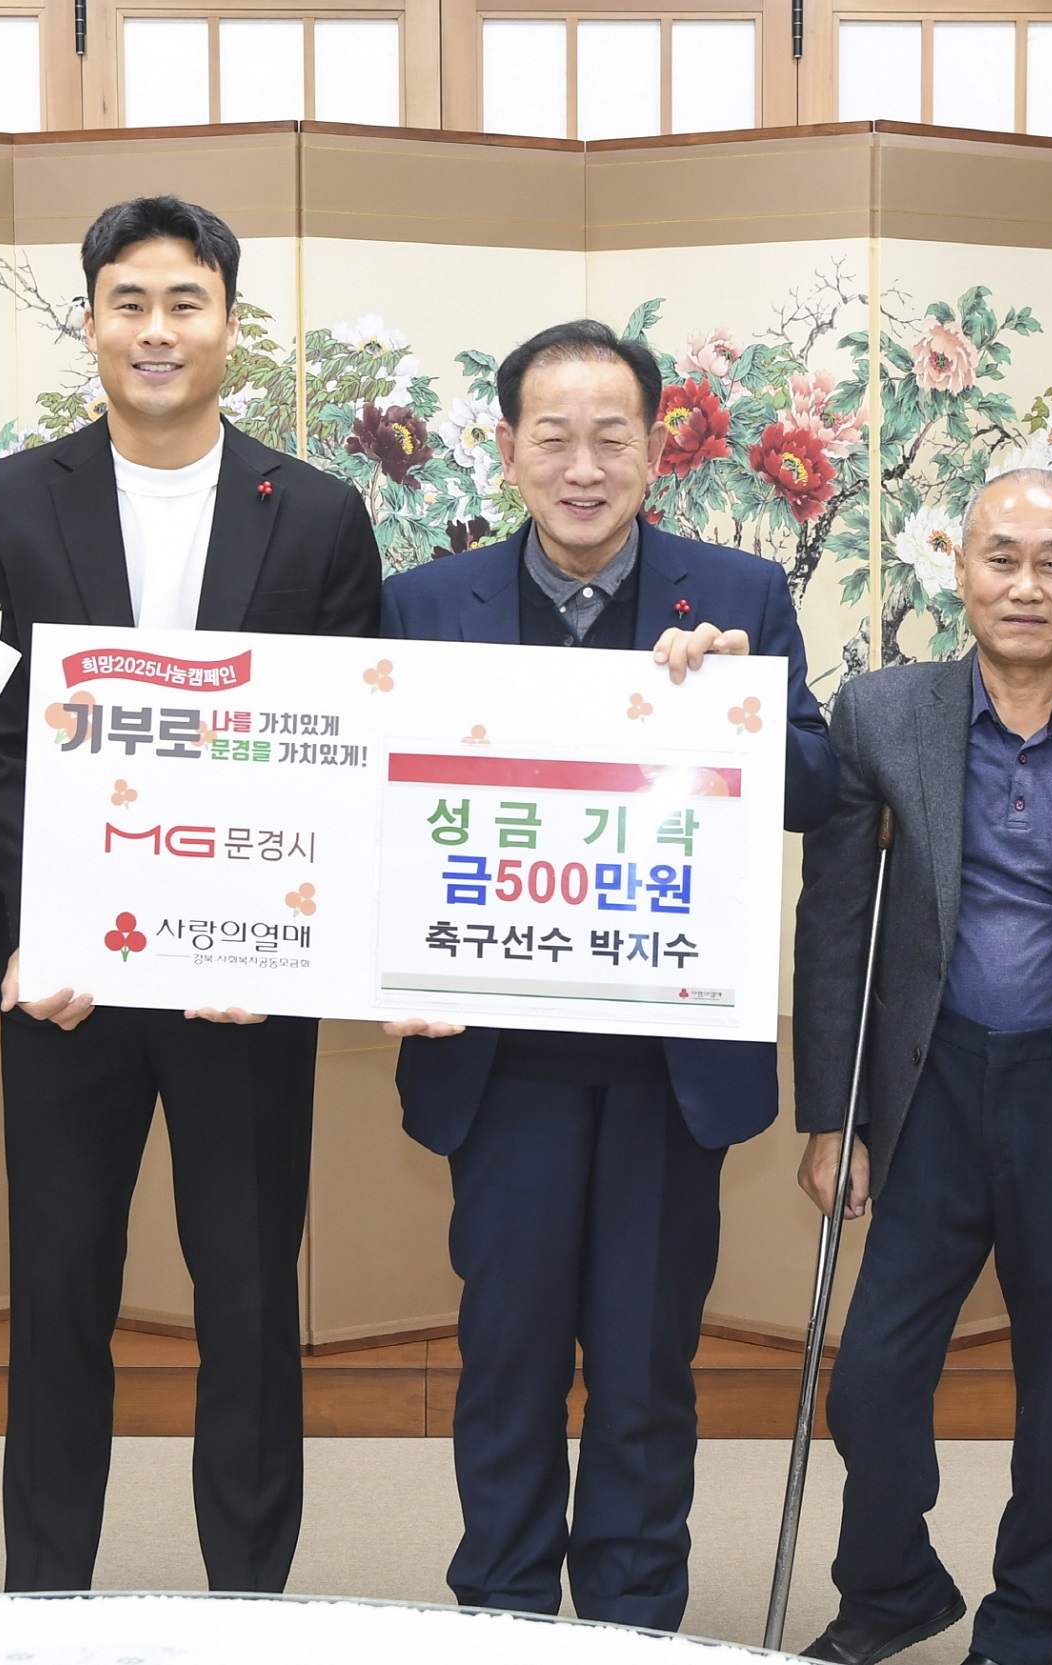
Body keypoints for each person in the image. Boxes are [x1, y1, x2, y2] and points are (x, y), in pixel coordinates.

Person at [378, 320, 841, 1631]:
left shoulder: (737, 595)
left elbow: (818, 788)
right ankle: (504, 1613)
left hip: (664, 1063)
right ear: (507, 448)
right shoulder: (426, 604)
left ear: (655, 449)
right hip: (499, 1063)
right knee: (506, 1361)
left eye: (610, 438)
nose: (582, 468)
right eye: (554, 438)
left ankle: (636, 1621)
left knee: (645, 1370)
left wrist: (741, 710)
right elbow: (367, 805)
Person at [0, 196, 383, 1594]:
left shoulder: (315, 514)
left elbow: (348, 752)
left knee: (249, 1302)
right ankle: (44, 1598)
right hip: (64, 984)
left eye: (184, 302)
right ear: (90, 322)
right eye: (127, 302)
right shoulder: (7, 503)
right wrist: (50, 922)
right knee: (57, 1293)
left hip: (243, 987)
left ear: (228, 326)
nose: (155, 329)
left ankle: (248, 1601)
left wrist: (286, 946)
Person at [788, 468, 1052, 1665]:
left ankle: (1028, 1625)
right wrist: (829, 1116)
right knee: (870, 1384)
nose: (1024, 586)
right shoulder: (880, 714)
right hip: (927, 1089)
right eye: (1001, 558)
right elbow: (835, 927)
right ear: (960, 570)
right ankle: (890, 1588)